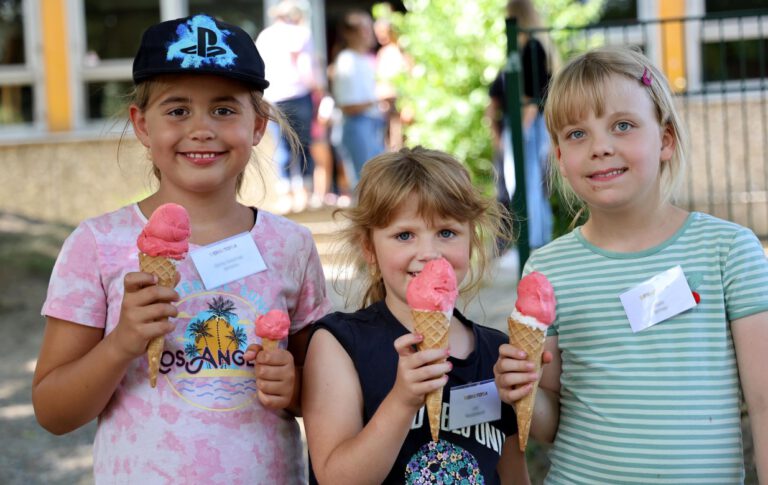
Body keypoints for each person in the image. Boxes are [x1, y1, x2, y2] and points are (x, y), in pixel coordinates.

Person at [32, 14, 331, 483]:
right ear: (142, 125)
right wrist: (121, 345)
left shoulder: (290, 246)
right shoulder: (97, 244)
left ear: (258, 125)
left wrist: (295, 388)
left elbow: (324, 393)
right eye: (177, 110)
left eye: (224, 109)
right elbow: (53, 411)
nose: (201, 128)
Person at [493, 45, 768, 483]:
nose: (600, 147)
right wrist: (523, 393)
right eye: (577, 134)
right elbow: (549, 425)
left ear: (665, 139)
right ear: (560, 158)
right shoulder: (548, 270)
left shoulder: (728, 251)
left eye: (622, 125)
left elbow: (764, 402)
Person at [302, 146, 530, 484]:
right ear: (370, 249)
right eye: (404, 235)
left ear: (471, 242)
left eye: (447, 233)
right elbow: (336, 477)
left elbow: (513, 475)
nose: (428, 253)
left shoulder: (498, 352)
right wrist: (402, 402)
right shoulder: (339, 345)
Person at [488, 0, 556, 250]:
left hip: (526, 125)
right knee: (522, 185)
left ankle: (536, 243)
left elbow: (533, 98)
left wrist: (518, 133)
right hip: (518, 123)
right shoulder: (517, 51)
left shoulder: (533, 49)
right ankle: (532, 241)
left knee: (527, 185)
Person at [256, 0, 320, 212]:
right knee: (303, 145)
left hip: (274, 97)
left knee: (282, 146)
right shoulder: (301, 34)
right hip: (299, 95)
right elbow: (306, 69)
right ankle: (305, 195)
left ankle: (286, 196)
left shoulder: (265, 36)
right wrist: (319, 90)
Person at [329, 10, 385, 187]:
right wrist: (379, 99)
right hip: (357, 125)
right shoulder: (347, 61)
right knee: (365, 185)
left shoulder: (363, 59)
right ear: (350, 33)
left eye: (370, 27)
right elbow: (348, 106)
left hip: (370, 124)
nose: (370, 32)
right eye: (364, 28)